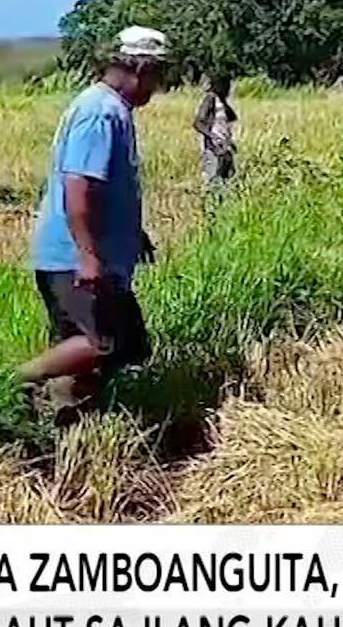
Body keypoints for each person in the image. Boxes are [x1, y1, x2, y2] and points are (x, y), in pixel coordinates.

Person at [18, 26, 169, 423]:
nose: (158, 87)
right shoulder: (101, 112)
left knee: (102, 346)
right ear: (140, 69)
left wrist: (132, 234)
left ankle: (59, 421)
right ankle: (12, 381)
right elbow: (79, 186)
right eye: (158, 76)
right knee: (108, 343)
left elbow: (104, 189)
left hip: (85, 253)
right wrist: (88, 256)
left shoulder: (110, 109)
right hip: (74, 257)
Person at [193, 74, 239, 188]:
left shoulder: (220, 101)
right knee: (212, 181)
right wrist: (214, 138)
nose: (228, 89)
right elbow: (198, 123)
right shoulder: (210, 98)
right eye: (226, 86)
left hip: (224, 147)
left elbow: (233, 117)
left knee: (227, 182)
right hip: (213, 148)